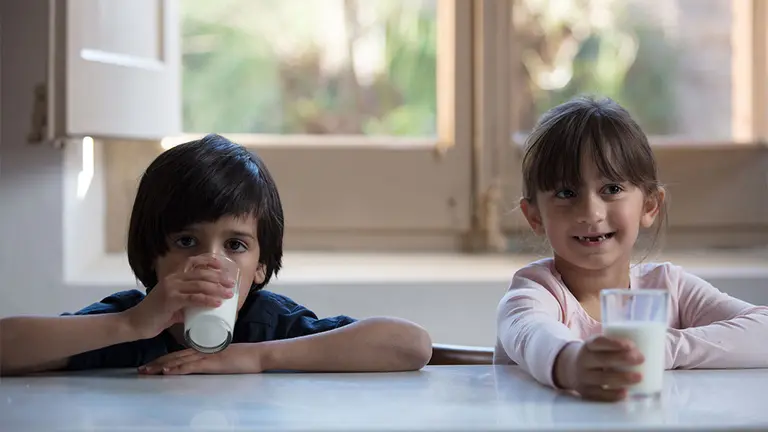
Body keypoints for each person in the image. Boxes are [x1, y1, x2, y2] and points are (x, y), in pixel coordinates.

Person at [1, 134, 433, 376]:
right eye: (187, 242)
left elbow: (410, 345)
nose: (210, 262)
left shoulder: (269, 325)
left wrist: (253, 357)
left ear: (261, 267)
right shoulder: (130, 322)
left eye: (235, 245)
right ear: (153, 254)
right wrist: (128, 324)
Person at [494, 96, 768, 401]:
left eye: (611, 189)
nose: (591, 212)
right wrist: (572, 362)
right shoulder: (533, 292)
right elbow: (533, 336)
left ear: (649, 206)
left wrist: (658, 349)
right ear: (535, 216)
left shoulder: (670, 288)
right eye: (566, 192)